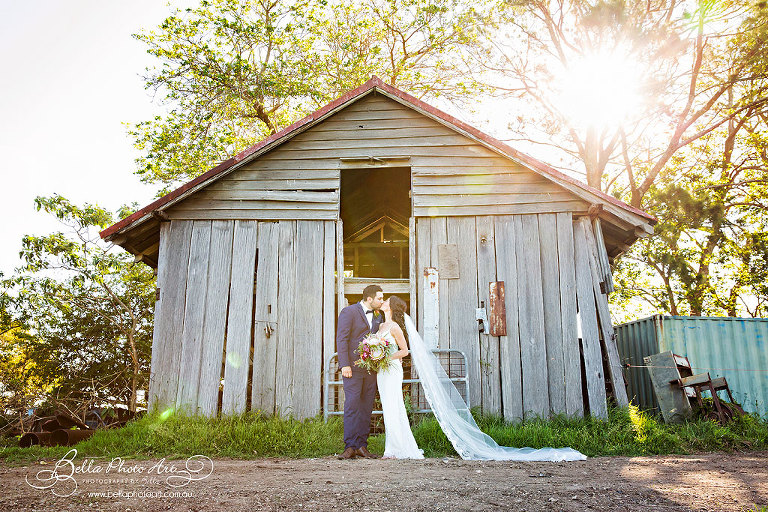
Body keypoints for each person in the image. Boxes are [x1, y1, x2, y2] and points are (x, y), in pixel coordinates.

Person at [335, 284, 384, 460]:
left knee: (366, 407)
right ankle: (350, 446)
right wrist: (344, 364)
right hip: (353, 369)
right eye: (380, 298)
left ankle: (362, 446)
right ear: (369, 299)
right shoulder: (349, 312)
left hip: (370, 369)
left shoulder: (379, 315)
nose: (382, 301)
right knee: (352, 405)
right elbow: (342, 338)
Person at [375, 296, 425, 459]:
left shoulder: (395, 327)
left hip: (392, 369)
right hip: (381, 371)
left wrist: (385, 358)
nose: (383, 301)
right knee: (387, 406)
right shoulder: (381, 325)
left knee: (393, 406)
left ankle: (393, 450)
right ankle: (393, 447)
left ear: (391, 306)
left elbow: (404, 351)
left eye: (386, 300)